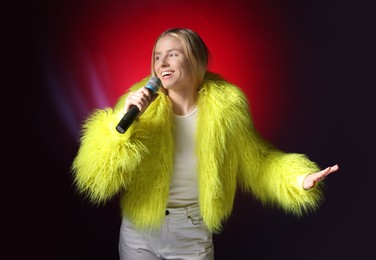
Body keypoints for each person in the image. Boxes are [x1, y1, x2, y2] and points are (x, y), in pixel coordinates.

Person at [71, 27, 339, 260]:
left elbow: (258, 161)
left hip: (192, 232)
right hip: (139, 233)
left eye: (172, 54)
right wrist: (121, 124)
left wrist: (297, 180)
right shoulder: (138, 105)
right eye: (157, 56)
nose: (162, 62)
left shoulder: (226, 110)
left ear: (195, 59)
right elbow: (95, 176)